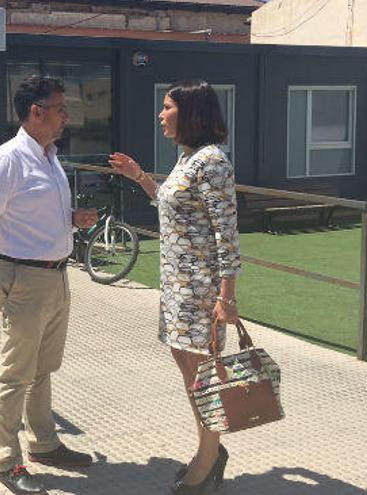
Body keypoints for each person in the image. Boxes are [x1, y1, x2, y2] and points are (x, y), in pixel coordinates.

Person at [0, 75, 99, 495]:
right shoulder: (9, 159)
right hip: (24, 278)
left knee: (43, 369)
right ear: (35, 112)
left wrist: (69, 220)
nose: (66, 116)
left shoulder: (49, 156)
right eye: (60, 108)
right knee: (16, 374)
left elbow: (31, 210)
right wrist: (5, 262)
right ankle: (8, 459)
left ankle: (44, 444)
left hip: (55, 276)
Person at [109, 80, 241, 495]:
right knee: (190, 372)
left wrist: (227, 296)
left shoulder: (212, 162)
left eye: (167, 107)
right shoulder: (187, 158)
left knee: (204, 374)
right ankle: (209, 448)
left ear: (190, 113)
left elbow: (227, 233)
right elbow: (170, 203)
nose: (161, 114)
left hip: (201, 292)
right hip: (176, 288)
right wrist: (140, 177)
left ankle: (208, 455)